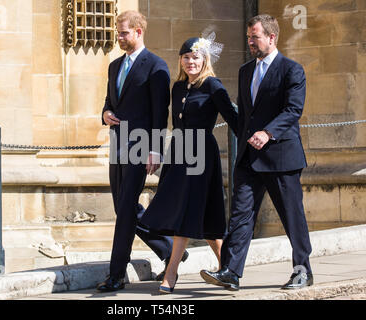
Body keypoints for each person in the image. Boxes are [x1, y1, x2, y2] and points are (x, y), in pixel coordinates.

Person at [200, 14, 313, 291]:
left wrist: (268, 132)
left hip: (281, 158)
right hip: (249, 158)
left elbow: (292, 110)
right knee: (240, 216)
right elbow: (245, 115)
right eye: (249, 36)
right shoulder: (245, 70)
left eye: (255, 37)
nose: (250, 41)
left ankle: (303, 271)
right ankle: (230, 271)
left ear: (271, 38)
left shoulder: (292, 70)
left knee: (291, 216)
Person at [139, 34, 239, 294]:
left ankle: (171, 273)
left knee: (185, 213)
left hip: (201, 156)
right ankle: (228, 269)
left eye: (195, 57)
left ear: (204, 59)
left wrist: (258, 141)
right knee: (201, 217)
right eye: (186, 57)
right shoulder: (178, 88)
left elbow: (234, 119)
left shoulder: (213, 86)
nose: (190, 62)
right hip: (178, 152)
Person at [97, 10, 187, 293]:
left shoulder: (155, 66)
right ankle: (169, 248)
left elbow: (161, 112)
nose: (119, 38)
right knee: (122, 208)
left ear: (138, 32)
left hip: (140, 147)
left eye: (124, 33)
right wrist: (105, 114)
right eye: (118, 33)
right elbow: (109, 100)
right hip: (118, 146)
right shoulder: (114, 66)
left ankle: (116, 274)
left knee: (125, 209)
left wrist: (155, 151)